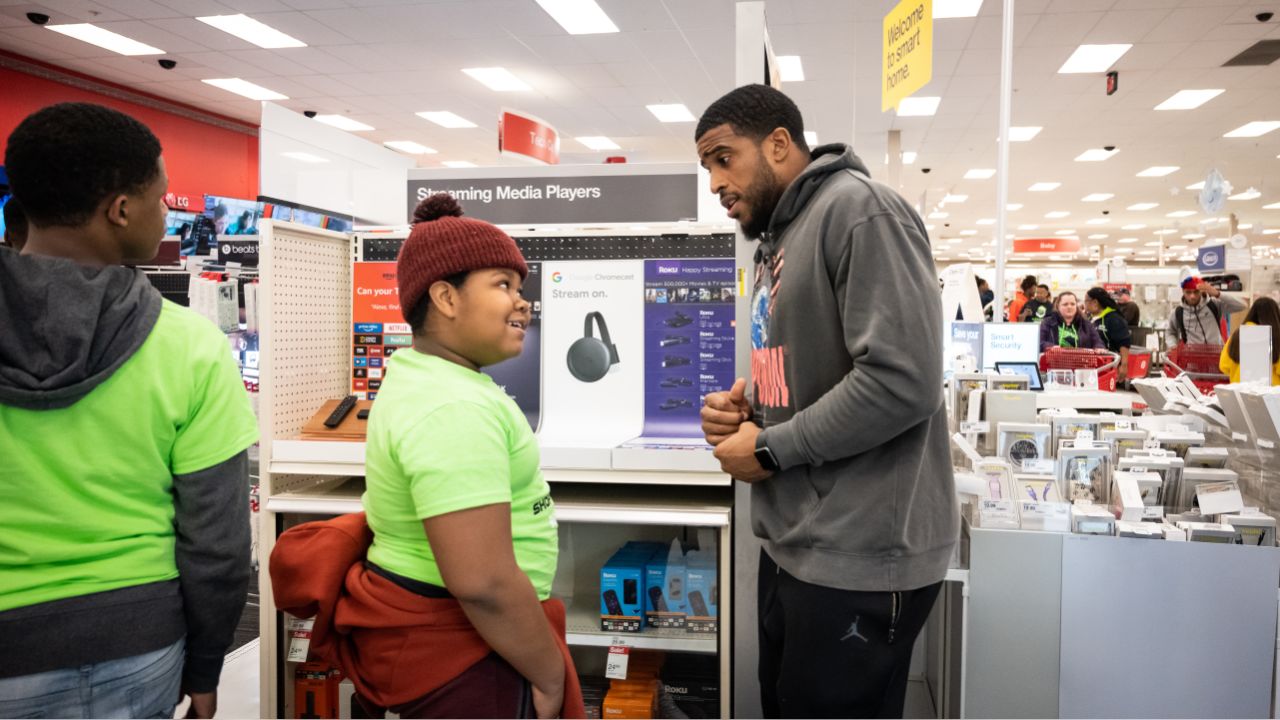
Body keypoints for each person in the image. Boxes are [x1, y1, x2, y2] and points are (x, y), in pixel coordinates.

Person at [694, 84, 957, 718]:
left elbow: (901, 381)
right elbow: (810, 379)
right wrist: (748, 409)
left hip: (860, 554)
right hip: (798, 545)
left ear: (779, 144)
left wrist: (770, 447)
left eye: (724, 158)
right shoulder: (776, 242)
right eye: (707, 168)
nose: (714, 183)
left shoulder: (861, 213)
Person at [272, 193, 581, 719]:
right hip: (466, 650)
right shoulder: (453, 404)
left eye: (521, 287)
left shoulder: (424, 378)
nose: (523, 301)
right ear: (445, 297)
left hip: (438, 637)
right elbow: (481, 582)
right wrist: (550, 674)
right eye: (503, 285)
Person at [0, 103, 256, 719]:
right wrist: (205, 664)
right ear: (120, 210)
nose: (168, 211)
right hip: (130, 641)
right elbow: (216, 541)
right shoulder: (188, 344)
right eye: (162, 197)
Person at [1168, 276, 1245, 347]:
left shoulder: (1214, 305)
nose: (1192, 296)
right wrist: (1173, 346)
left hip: (1216, 356)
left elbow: (1242, 305)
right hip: (1192, 358)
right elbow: (1170, 332)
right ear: (1183, 291)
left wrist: (1217, 294)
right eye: (1188, 292)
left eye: (1196, 292)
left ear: (1201, 291)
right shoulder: (1177, 312)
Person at [1219, 297, 1280, 385]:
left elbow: (1224, 366)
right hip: (1271, 396)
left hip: (1240, 394)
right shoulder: (1276, 338)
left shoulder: (1236, 336)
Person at [1085, 287, 1133, 384]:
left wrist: (1124, 365)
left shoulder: (1113, 318)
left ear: (1094, 302)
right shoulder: (1090, 318)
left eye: (1086, 301)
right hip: (1093, 367)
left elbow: (1124, 342)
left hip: (1108, 367)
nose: (1084, 304)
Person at [1040, 291, 1104, 351]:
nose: (1069, 307)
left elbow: (1098, 342)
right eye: (1065, 304)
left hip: (1081, 361)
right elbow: (1039, 342)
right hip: (1053, 361)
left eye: (1073, 304)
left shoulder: (1086, 324)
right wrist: (1050, 347)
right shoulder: (1047, 322)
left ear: (1076, 306)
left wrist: (1099, 348)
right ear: (1058, 306)